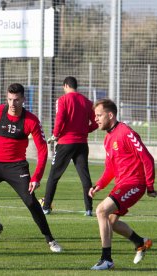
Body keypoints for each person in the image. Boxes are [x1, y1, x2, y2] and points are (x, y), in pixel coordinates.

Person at [0, 83, 62, 253]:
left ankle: (50, 239)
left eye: (16, 100)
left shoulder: (31, 120)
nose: (12, 104)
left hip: (16, 166)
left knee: (31, 201)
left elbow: (43, 150)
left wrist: (36, 177)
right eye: (9, 99)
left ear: (23, 99)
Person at [89, 99, 157, 270]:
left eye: (99, 115)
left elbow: (147, 158)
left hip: (134, 184)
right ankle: (140, 242)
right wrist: (99, 185)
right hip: (121, 184)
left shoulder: (126, 132)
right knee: (110, 222)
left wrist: (149, 186)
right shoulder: (108, 139)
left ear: (110, 115)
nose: (96, 119)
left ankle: (106, 259)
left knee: (101, 210)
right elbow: (110, 168)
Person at [44, 76, 98, 216]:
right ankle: (89, 209)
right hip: (82, 144)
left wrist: (55, 135)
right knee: (84, 176)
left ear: (66, 86)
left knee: (54, 176)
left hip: (65, 143)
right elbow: (96, 122)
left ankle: (46, 207)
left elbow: (60, 118)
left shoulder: (62, 100)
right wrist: (85, 130)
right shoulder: (87, 102)